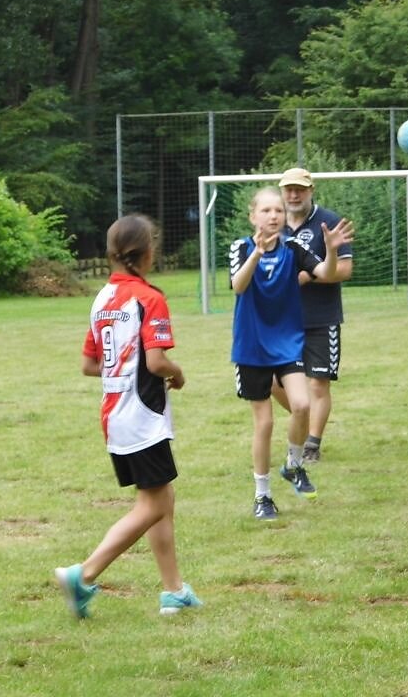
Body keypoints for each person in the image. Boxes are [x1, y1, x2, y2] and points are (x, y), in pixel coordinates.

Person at [55, 214, 202, 618]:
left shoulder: (101, 298)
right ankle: (83, 574)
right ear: (147, 253)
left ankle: (173, 590)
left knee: (160, 497)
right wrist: (179, 373)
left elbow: (89, 364)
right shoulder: (149, 298)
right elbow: (156, 362)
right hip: (142, 414)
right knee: (153, 505)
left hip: (115, 415)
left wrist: (123, 369)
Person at [230, 186, 354, 520]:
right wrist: (256, 253)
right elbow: (238, 286)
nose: (274, 216)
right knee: (265, 423)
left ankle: (293, 465)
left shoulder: (294, 248)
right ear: (253, 216)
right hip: (252, 346)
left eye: (278, 211)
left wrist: (329, 251)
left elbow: (327, 274)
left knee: (301, 404)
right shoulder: (240, 247)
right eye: (267, 211)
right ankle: (262, 495)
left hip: (286, 342)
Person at [269, 167, 353, 463]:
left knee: (317, 383)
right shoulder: (272, 222)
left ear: (310, 190)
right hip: (279, 320)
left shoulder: (329, 222)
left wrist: (307, 277)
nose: (293, 195)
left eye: (299, 189)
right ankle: (304, 418)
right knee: (271, 382)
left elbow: (344, 270)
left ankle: (312, 445)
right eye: (288, 189)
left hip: (321, 316)